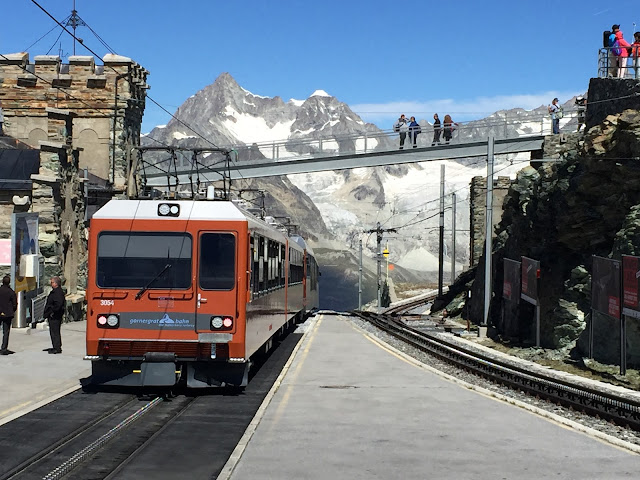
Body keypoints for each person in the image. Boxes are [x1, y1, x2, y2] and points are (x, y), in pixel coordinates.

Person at [43, 276, 65, 354]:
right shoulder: (55, 292)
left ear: (56, 283)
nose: (51, 284)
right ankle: (56, 345)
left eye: (52, 282)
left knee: (55, 331)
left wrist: (52, 312)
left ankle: (57, 347)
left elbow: (58, 304)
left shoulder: (57, 293)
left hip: (55, 316)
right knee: (53, 331)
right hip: (53, 315)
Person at [0, 275, 17, 355]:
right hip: (8, 314)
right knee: (6, 332)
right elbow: (14, 304)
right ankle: (4, 348)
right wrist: (12, 311)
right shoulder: (11, 292)